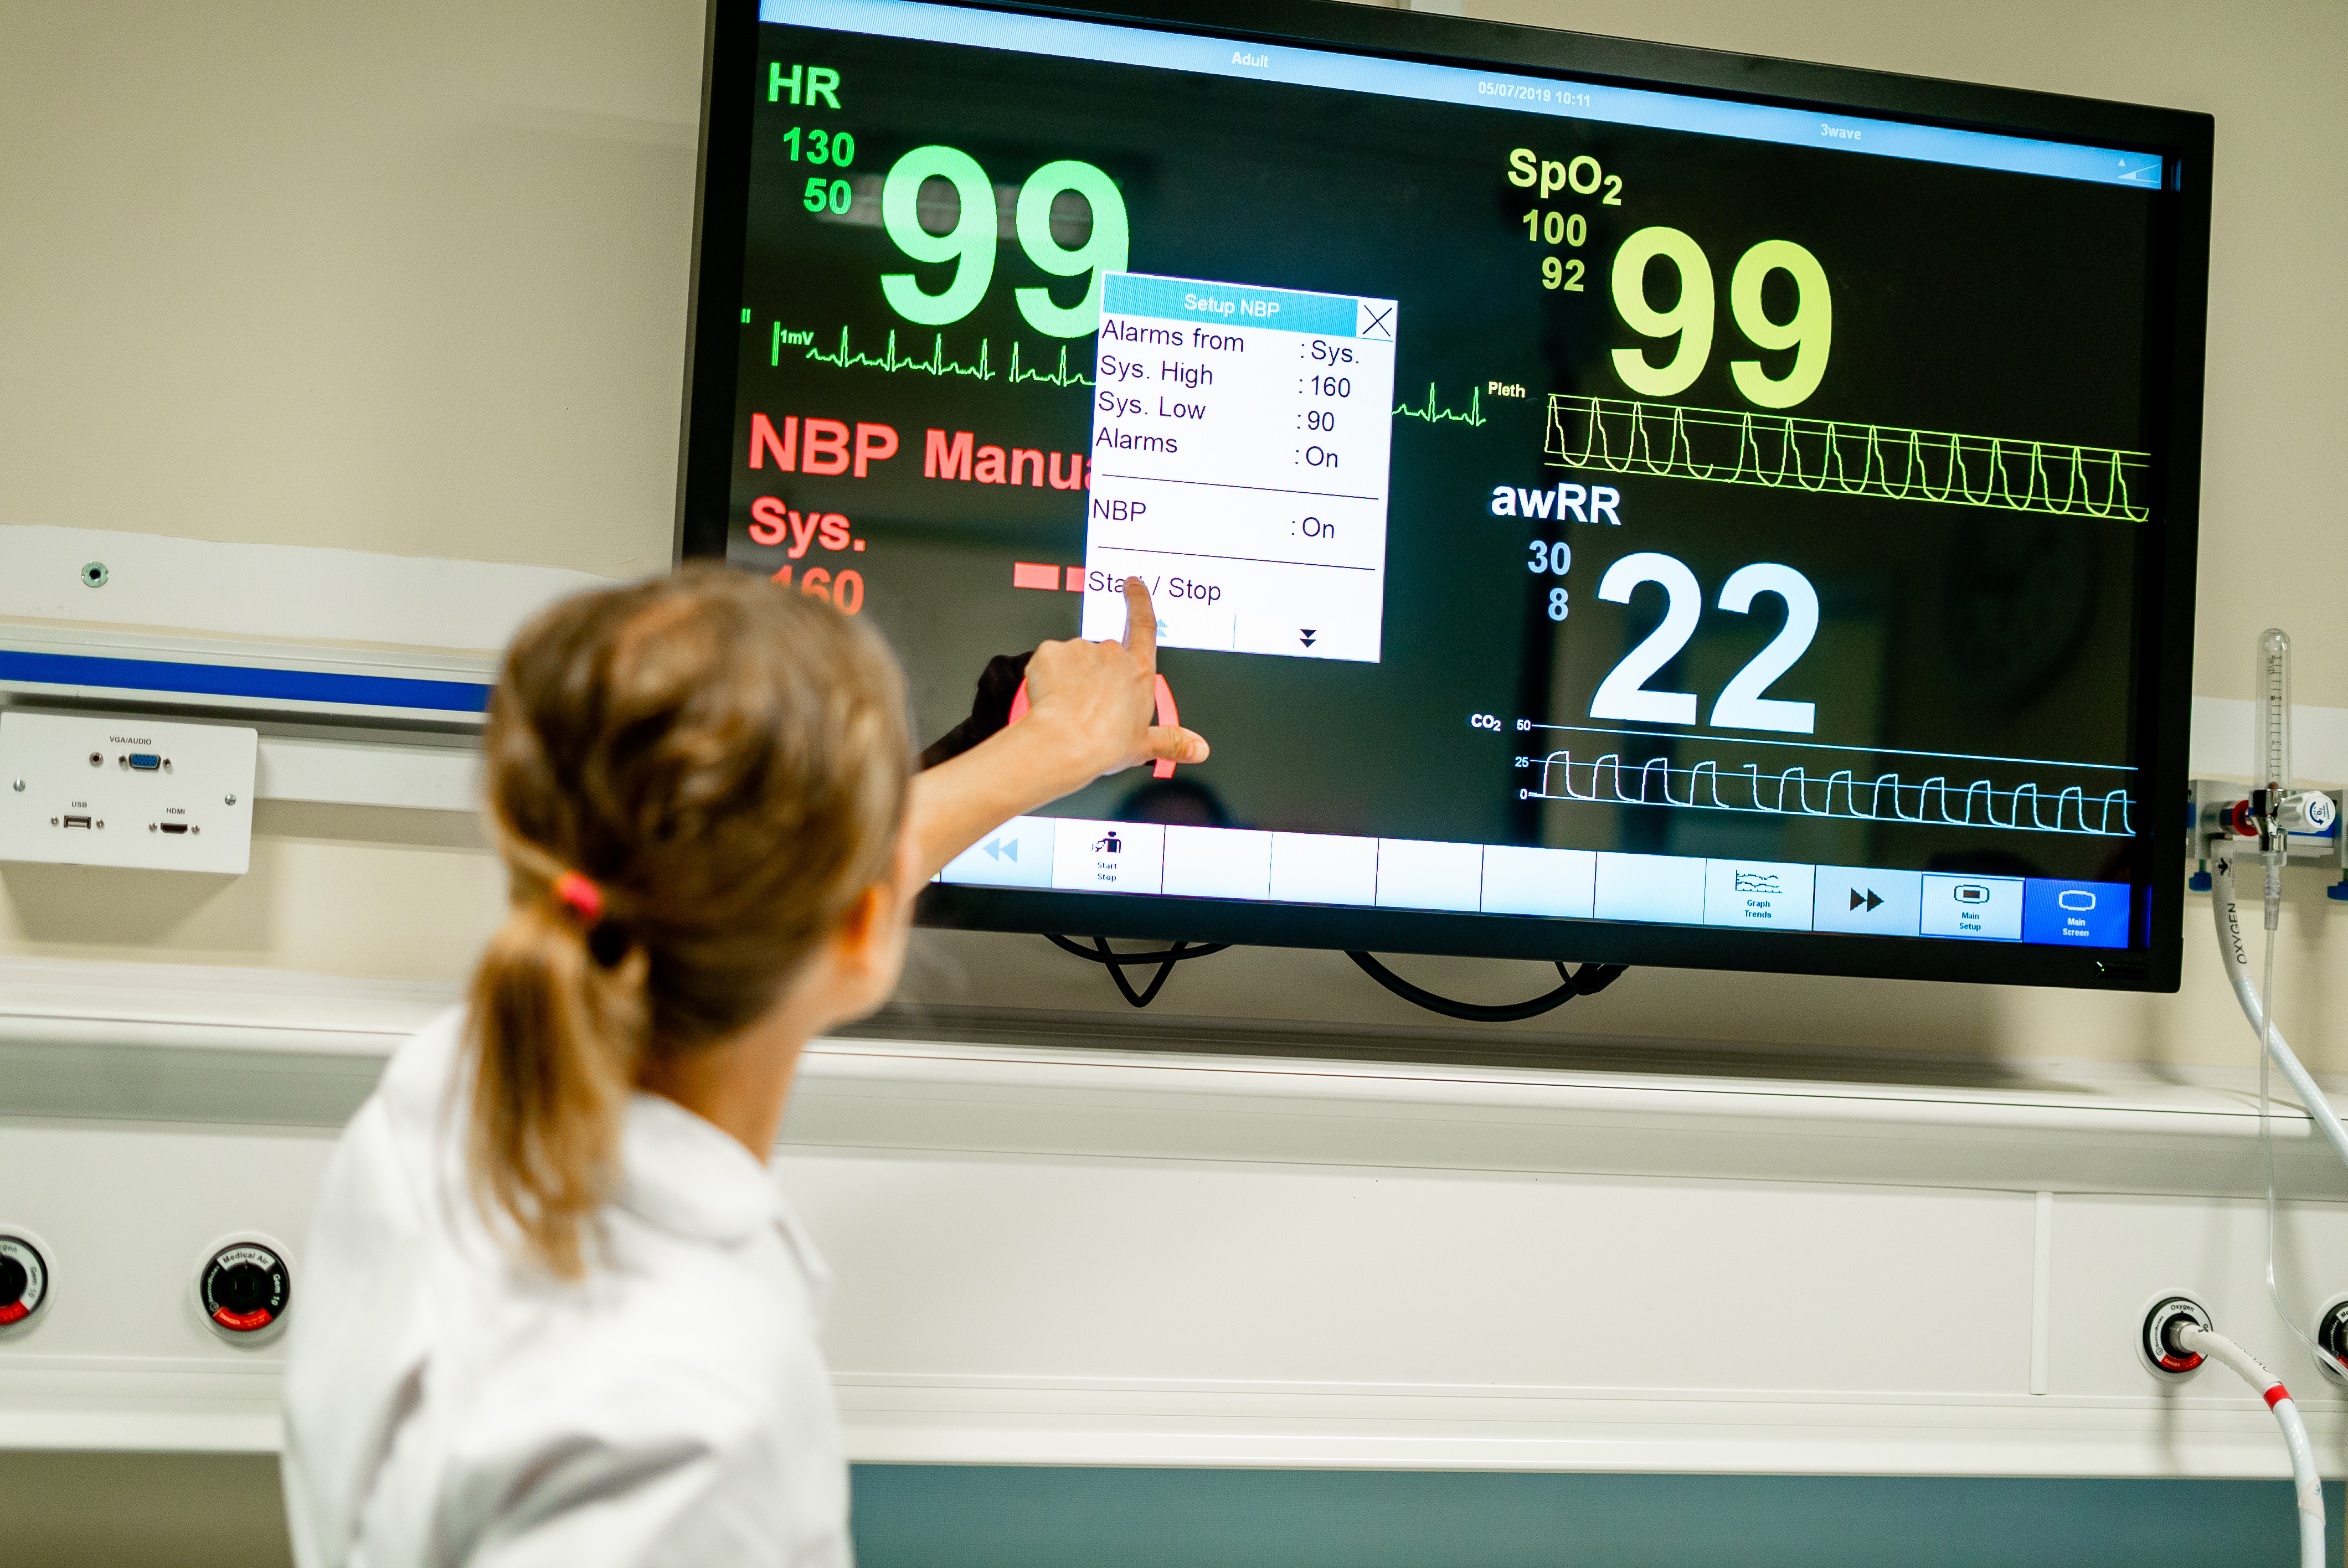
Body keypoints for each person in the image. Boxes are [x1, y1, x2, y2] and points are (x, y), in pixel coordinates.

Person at [280, 567, 1205, 1567]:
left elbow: (781, 867)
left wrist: (1044, 749)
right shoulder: (690, 1430)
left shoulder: (447, 1092)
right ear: (862, 923)